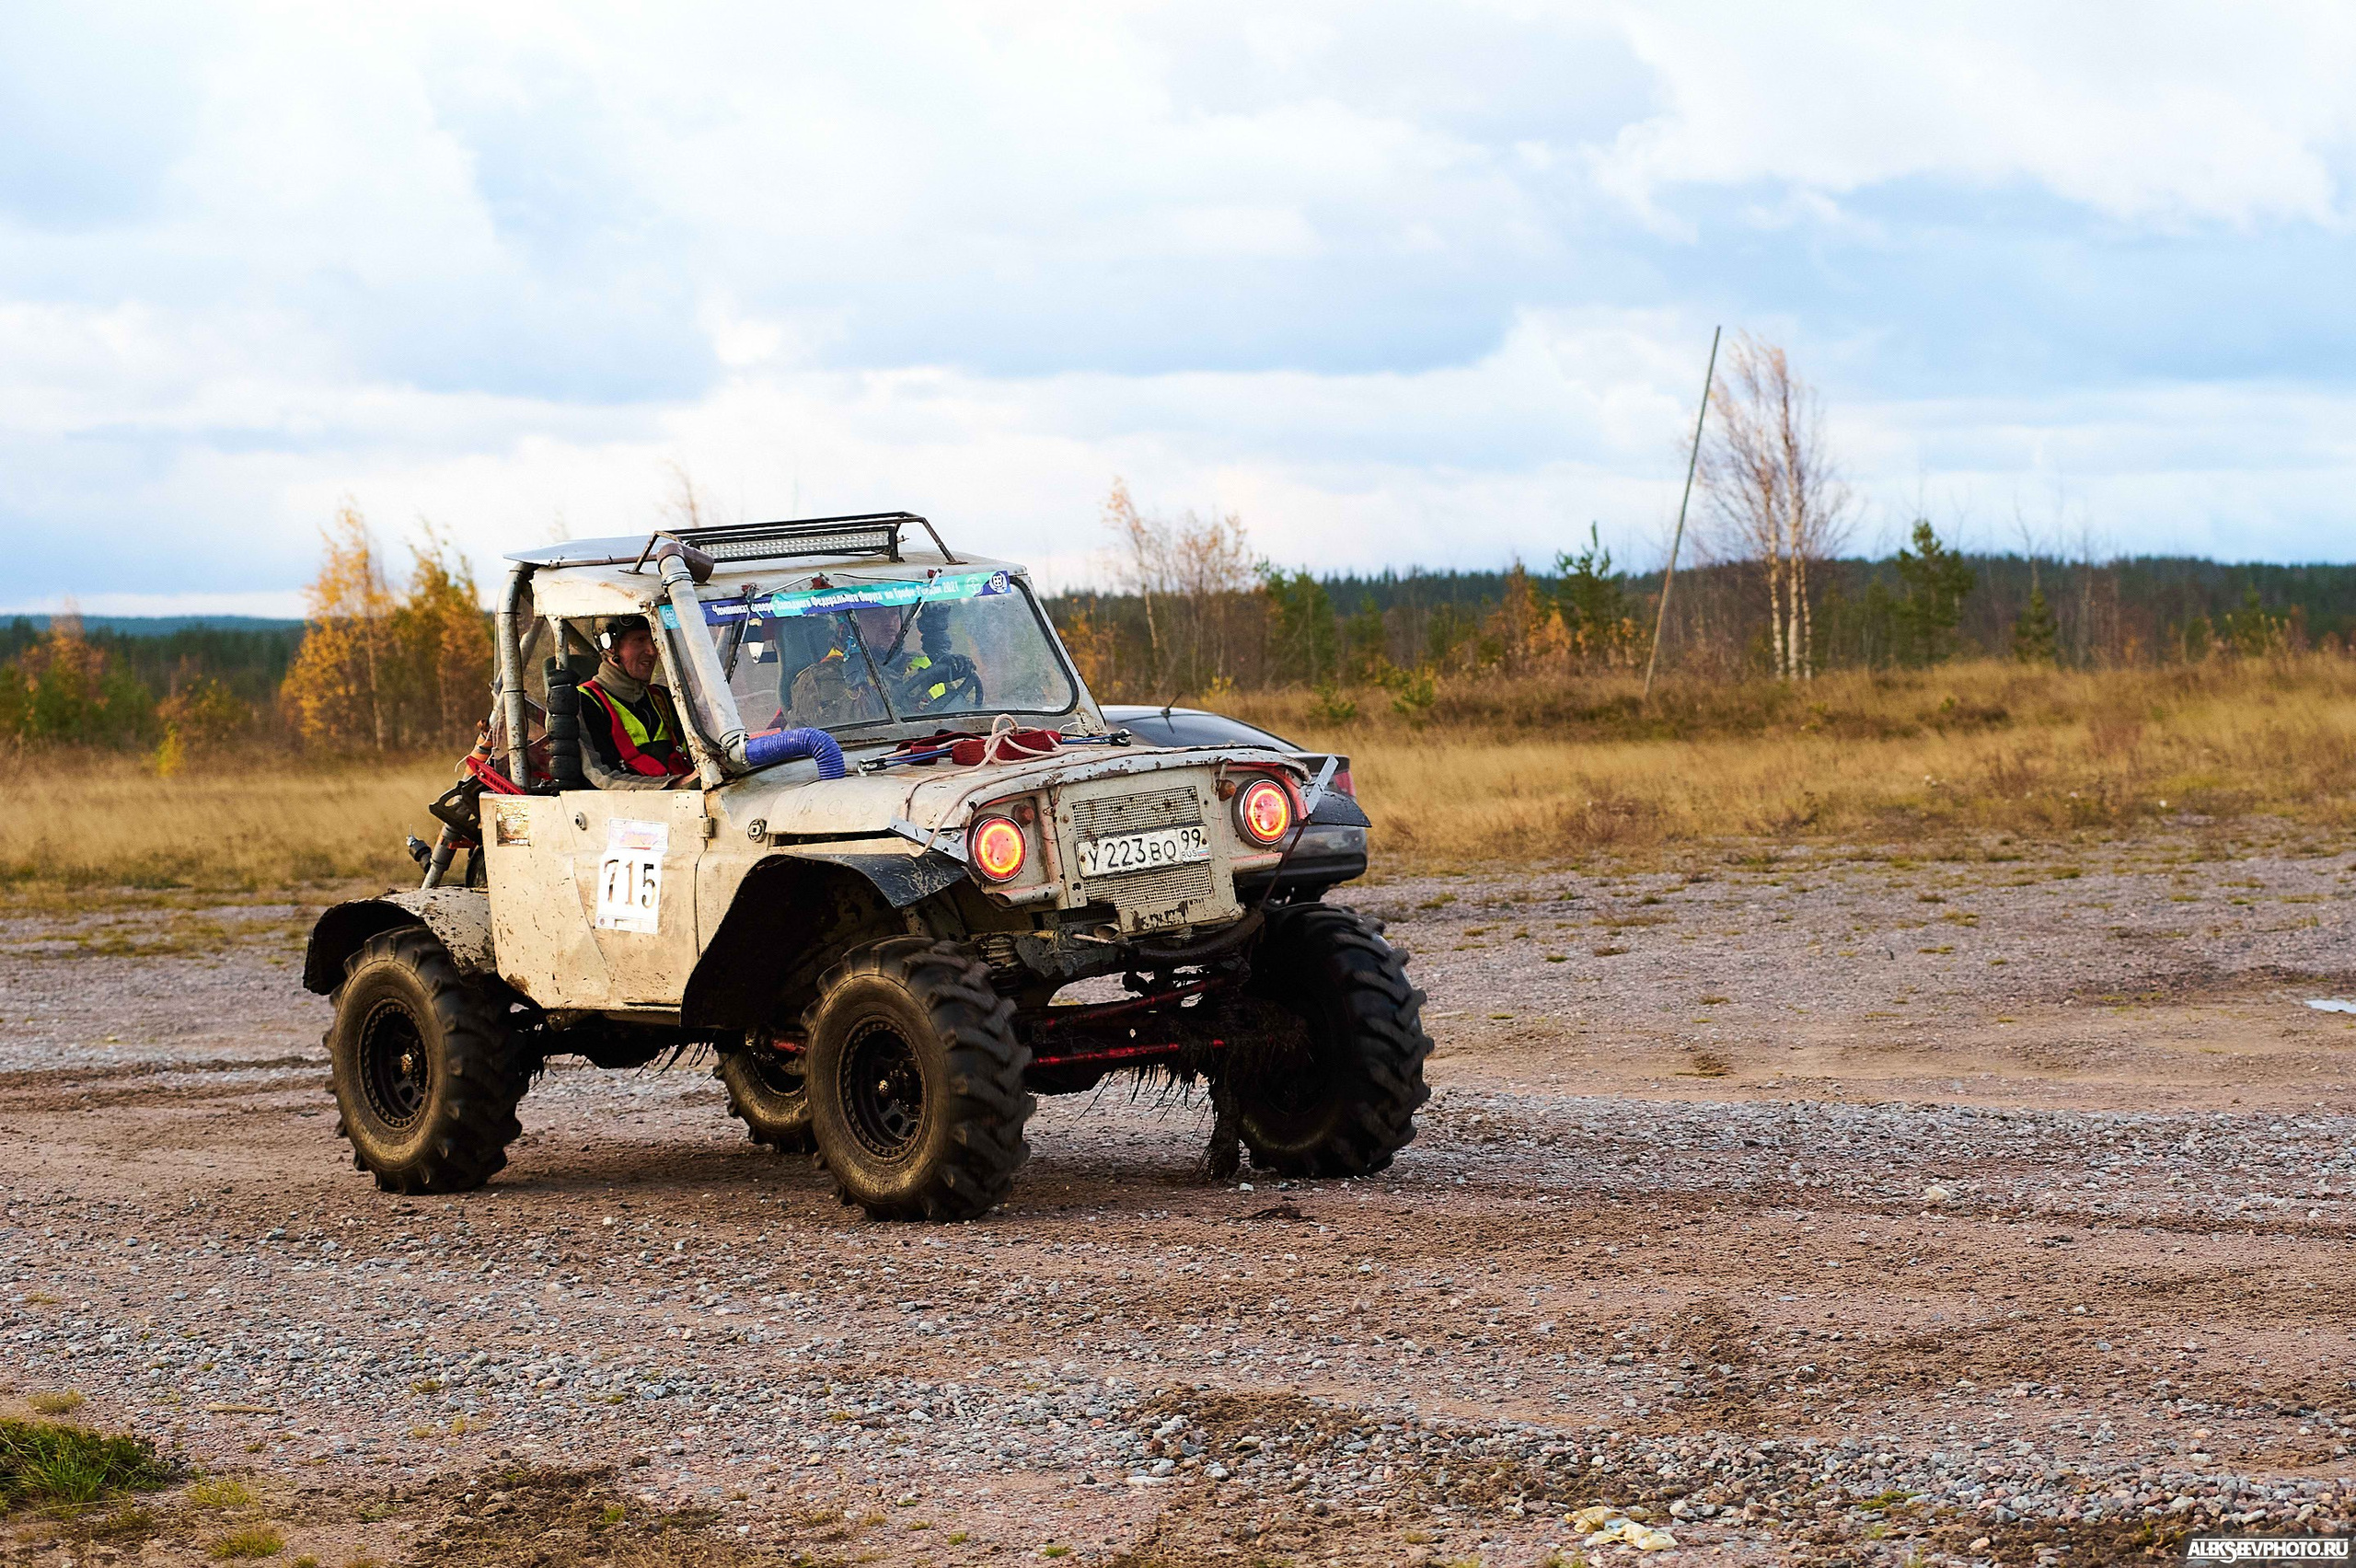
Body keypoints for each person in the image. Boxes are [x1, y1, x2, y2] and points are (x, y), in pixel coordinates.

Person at [578, 617, 695, 790]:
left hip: (688, 802)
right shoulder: (582, 702)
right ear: (610, 646)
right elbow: (600, 778)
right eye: (640, 640)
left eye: (654, 639)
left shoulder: (664, 696)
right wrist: (677, 785)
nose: (652, 651)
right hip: (627, 812)